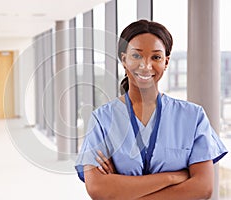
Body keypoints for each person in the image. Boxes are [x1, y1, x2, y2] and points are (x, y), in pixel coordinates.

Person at [75, 19, 228, 200]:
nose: (146, 65)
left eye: (156, 57)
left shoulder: (193, 117)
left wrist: (122, 189)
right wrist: (172, 177)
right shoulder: (102, 119)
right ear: (124, 60)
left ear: (166, 62)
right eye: (136, 56)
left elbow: (203, 188)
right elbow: (98, 188)